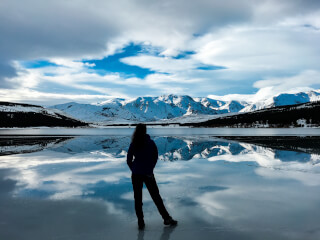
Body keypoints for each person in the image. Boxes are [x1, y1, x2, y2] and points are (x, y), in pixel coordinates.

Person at [127, 123, 177, 230]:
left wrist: (134, 169)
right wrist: (150, 169)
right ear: (145, 131)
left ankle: (141, 222)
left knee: (138, 199)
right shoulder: (150, 143)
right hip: (148, 174)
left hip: (136, 174)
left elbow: (128, 160)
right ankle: (166, 218)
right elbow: (155, 157)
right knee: (156, 197)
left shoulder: (133, 143)